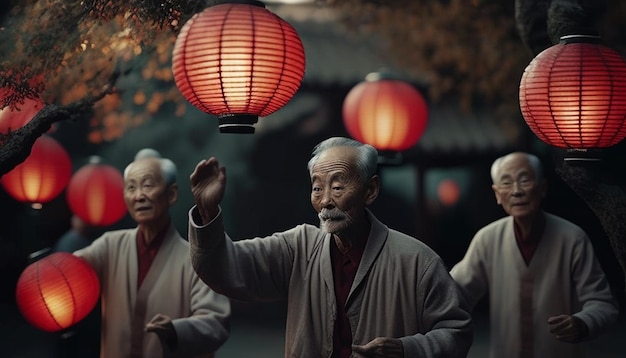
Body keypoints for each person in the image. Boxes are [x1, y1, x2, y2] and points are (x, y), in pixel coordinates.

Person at [187, 136, 473, 358]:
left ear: (370, 191)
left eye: (337, 188)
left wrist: (406, 349)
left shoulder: (416, 261)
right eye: (317, 188)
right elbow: (228, 268)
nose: (325, 201)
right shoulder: (298, 247)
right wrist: (208, 213)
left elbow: (456, 331)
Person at [450, 151, 619, 358]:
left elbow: (603, 304)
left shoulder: (572, 238)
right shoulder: (488, 239)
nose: (516, 191)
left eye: (525, 180)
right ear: (497, 194)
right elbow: (454, 294)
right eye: (506, 183)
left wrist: (583, 322)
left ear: (542, 188)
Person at [74, 149, 231, 358]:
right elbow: (71, 272)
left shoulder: (194, 258)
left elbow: (216, 321)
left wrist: (176, 331)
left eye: (147, 185)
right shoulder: (110, 246)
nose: (139, 196)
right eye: (131, 187)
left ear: (171, 194)